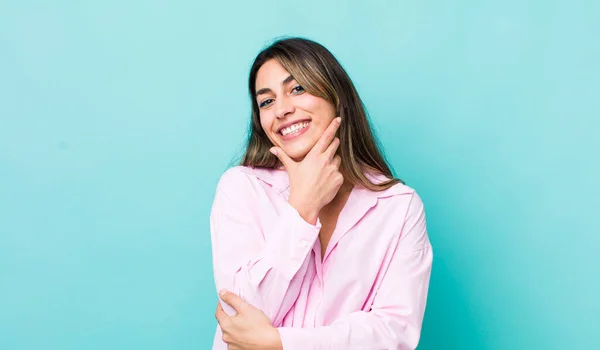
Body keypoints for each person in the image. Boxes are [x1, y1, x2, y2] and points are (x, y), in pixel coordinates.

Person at [210, 37, 433, 350]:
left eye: (297, 88)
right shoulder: (241, 188)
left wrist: (279, 342)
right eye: (267, 101)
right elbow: (238, 316)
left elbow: (393, 334)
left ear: (336, 96)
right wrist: (302, 206)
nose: (283, 110)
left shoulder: (399, 208)